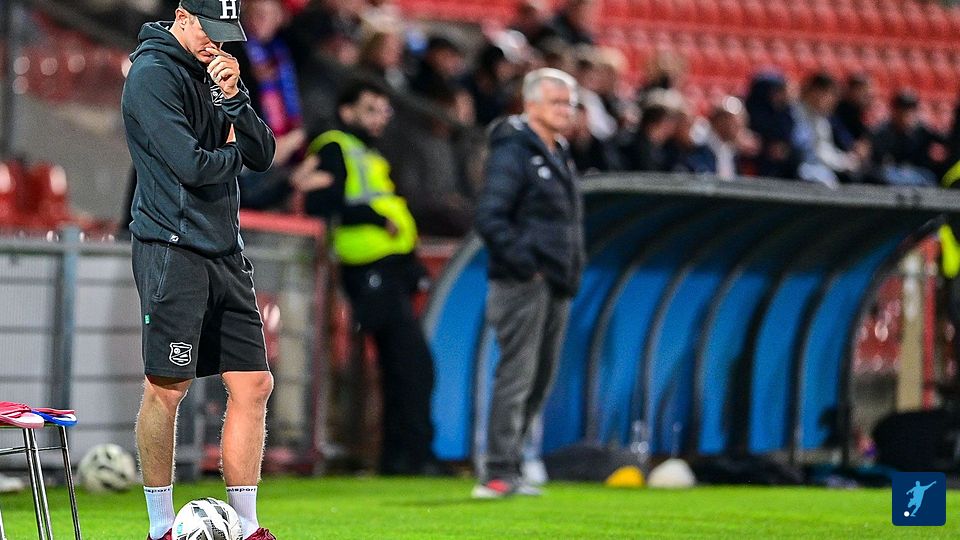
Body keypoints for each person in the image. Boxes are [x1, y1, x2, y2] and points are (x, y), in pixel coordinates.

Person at [120, 1, 277, 539]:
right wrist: (234, 156)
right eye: (209, 30)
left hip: (225, 250)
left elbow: (264, 152)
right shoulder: (151, 75)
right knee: (167, 387)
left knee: (254, 383)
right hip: (172, 246)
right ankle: (161, 526)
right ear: (183, 16)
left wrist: (235, 100)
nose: (218, 43)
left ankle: (247, 527)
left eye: (225, 33)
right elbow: (190, 165)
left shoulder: (217, 71)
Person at [296, 79, 440, 475]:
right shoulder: (335, 147)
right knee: (409, 364)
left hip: (388, 268)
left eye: (384, 111)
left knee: (401, 365)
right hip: (367, 267)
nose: (380, 118)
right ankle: (411, 457)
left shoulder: (366, 152)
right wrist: (376, 219)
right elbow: (321, 203)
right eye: (371, 109)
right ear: (347, 112)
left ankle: (400, 457)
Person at [473, 68, 584, 498]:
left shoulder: (558, 151)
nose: (565, 110)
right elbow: (490, 217)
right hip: (523, 283)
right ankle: (497, 471)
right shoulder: (513, 151)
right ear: (531, 103)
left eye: (570, 102)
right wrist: (527, 265)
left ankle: (514, 465)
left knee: (539, 380)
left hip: (554, 282)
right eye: (557, 101)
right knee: (517, 377)